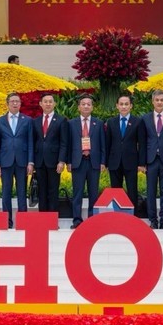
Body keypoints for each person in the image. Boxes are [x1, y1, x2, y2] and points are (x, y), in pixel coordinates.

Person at [0, 92, 34, 229]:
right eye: (12, 101)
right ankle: (7, 221)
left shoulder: (27, 120)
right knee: (6, 192)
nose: (15, 103)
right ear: (7, 103)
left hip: (22, 161)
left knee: (22, 192)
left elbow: (30, 142)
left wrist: (30, 162)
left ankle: (23, 221)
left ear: (20, 104)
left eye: (17, 101)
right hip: (5, 161)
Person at [67, 94, 106, 228]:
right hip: (78, 162)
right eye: (83, 104)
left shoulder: (99, 123)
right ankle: (77, 220)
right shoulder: (71, 123)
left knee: (93, 193)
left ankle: (92, 220)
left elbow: (103, 144)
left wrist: (102, 162)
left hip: (93, 162)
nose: (86, 106)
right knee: (77, 193)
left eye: (88, 104)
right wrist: (68, 161)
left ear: (92, 107)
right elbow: (68, 144)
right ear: (79, 107)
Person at [105, 93, 147, 213]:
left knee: (132, 190)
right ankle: (117, 215)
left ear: (131, 106)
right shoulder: (111, 122)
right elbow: (108, 143)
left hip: (131, 162)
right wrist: (106, 163)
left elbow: (142, 144)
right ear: (117, 106)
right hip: (114, 162)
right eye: (121, 104)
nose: (124, 106)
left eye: (126, 104)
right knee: (116, 191)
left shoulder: (138, 122)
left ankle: (133, 216)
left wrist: (141, 163)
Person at [142, 89, 163, 229]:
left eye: (162, 100)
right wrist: (142, 162)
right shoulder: (145, 118)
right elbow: (142, 142)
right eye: (157, 100)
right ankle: (153, 220)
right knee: (150, 192)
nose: (159, 102)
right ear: (153, 101)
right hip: (150, 160)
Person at [31, 92, 68, 213]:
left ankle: (52, 219)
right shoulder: (35, 121)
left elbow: (64, 142)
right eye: (45, 102)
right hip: (39, 161)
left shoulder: (61, 120)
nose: (48, 104)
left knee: (53, 190)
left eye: (50, 101)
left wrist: (61, 161)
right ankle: (43, 219)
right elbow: (32, 142)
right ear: (40, 104)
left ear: (54, 104)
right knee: (41, 191)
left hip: (54, 161)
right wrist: (31, 162)